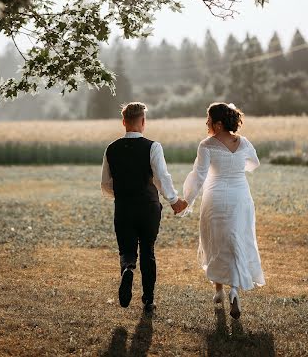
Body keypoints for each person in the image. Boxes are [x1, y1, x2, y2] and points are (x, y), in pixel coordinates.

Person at [101, 102, 187, 312]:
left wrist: (122, 194)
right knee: (148, 250)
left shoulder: (111, 148)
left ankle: (128, 270)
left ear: (123, 122)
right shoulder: (153, 147)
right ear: (143, 122)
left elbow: (105, 183)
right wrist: (174, 201)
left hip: (123, 208)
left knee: (127, 250)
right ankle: (148, 299)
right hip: (148, 207)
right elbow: (161, 177)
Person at [182, 102, 265, 319]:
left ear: (218, 124)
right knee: (237, 238)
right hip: (240, 197)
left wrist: (187, 201)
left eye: (208, 120)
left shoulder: (207, 145)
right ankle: (234, 291)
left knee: (214, 241)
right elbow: (254, 164)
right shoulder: (244, 142)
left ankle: (219, 290)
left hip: (216, 196)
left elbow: (199, 175)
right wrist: (237, 168)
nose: (206, 123)